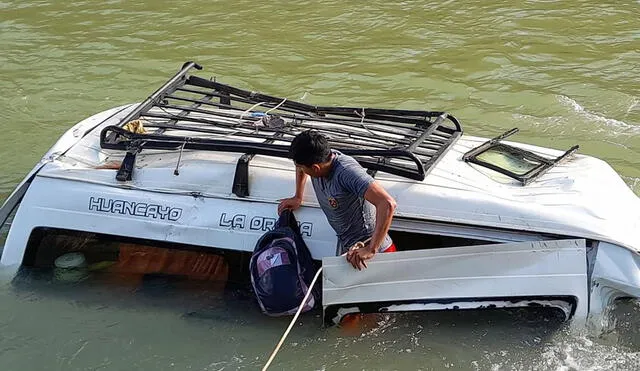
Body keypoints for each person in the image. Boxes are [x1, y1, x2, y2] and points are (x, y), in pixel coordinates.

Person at [277, 130, 397, 270]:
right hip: (348, 250)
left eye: (302, 167)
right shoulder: (317, 158)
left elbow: (387, 203)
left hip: (371, 254)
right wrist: (298, 196)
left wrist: (371, 249)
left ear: (315, 168)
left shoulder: (346, 173)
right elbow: (300, 166)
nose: (299, 169)